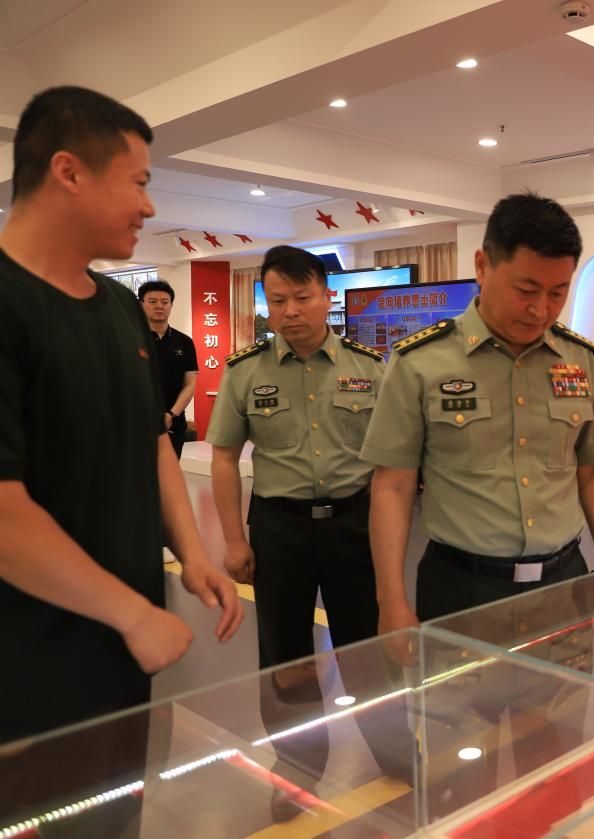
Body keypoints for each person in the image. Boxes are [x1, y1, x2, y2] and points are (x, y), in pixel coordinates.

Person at [0, 86, 241, 832]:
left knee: (112, 816)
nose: (148, 206)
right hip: (30, 654)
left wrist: (191, 553)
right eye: (138, 182)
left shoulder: (114, 305)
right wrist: (133, 613)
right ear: (69, 171)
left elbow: (150, 442)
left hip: (124, 646)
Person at [363, 192, 594, 628]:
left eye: (557, 293)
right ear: (482, 266)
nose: (541, 309)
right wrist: (390, 602)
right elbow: (393, 486)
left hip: (563, 584)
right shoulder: (420, 362)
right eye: (526, 290)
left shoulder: (581, 361)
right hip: (461, 590)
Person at [206, 245, 397, 820]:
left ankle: (392, 749)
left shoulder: (370, 367)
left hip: (354, 526)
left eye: (303, 297)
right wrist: (233, 541)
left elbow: (393, 463)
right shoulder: (245, 371)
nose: (290, 310)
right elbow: (223, 458)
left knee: (367, 649)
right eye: (278, 299)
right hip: (279, 529)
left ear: (327, 296)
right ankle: (296, 770)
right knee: (285, 655)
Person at [138, 279, 197, 459]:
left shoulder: (184, 342)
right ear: (141, 304)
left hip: (173, 424)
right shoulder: (130, 339)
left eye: (165, 302)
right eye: (152, 301)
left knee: (169, 473)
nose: (159, 306)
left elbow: (189, 385)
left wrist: (171, 415)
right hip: (136, 424)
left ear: (171, 305)